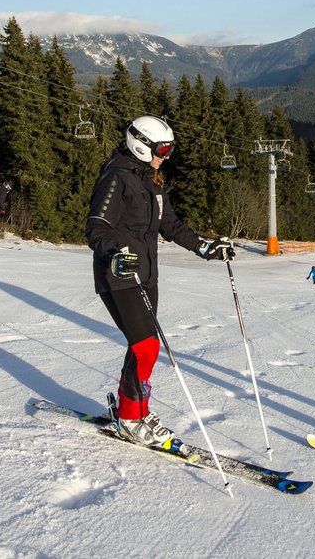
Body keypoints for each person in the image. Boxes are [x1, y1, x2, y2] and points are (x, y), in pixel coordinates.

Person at [85, 115, 234, 450]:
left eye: (171, 149)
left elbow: (170, 224)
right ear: (141, 145)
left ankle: (133, 410)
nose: (167, 155)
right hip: (119, 274)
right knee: (147, 346)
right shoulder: (116, 177)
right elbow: (96, 225)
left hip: (147, 276)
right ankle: (131, 417)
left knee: (142, 345)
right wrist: (113, 254)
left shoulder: (149, 181)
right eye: (163, 149)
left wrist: (203, 246)